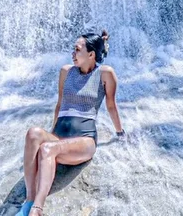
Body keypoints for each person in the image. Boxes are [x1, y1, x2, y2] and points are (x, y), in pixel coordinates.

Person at [17, 30, 125, 216]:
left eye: (77, 50)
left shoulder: (105, 74)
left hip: (84, 140)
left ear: (91, 54)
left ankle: (37, 208)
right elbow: (60, 104)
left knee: (47, 149)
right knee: (34, 133)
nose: (72, 54)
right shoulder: (66, 72)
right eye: (73, 50)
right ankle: (29, 199)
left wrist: (120, 133)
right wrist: (51, 134)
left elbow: (111, 106)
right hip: (60, 136)